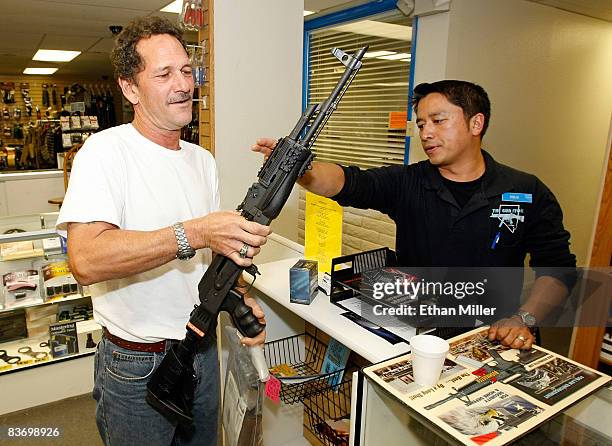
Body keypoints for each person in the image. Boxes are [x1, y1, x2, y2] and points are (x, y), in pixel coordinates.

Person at [56, 16, 270, 446]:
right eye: (164, 74)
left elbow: (209, 261)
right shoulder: (104, 152)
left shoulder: (201, 160)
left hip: (203, 351)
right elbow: (86, 259)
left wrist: (239, 297)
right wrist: (193, 232)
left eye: (187, 71)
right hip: (137, 364)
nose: (183, 84)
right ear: (130, 88)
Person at [253, 80, 576, 350]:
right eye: (421, 124)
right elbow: (347, 182)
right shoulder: (409, 182)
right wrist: (297, 166)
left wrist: (524, 319)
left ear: (476, 123)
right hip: (421, 333)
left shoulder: (526, 189)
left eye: (438, 121)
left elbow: (558, 269)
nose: (426, 133)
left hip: (495, 334)